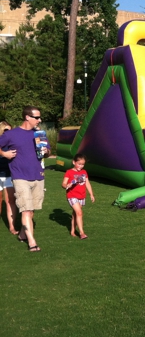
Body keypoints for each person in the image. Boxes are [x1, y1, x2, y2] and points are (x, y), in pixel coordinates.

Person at [0, 107, 50, 252]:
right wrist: (4, 154)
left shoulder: (39, 134)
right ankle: (32, 242)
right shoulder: (12, 134)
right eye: (37, 117)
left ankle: (22, 234)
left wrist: (46, 152)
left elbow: (47, 152)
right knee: (26, 210)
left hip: (38, 176)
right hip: (20, 177)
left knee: (32, 209)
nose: (39, 120)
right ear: (27, 117)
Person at [62, 154, 95, 239]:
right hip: (72, 195)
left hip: (82, 195)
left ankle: (72, 231)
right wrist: (67, 185)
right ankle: (82, 233)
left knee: (75, 214)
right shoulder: (69, 172)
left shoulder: (84, 172)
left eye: (82, 164)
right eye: (79, 164)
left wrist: (91, 194)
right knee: (79, 213)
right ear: (74, 162)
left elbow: (87, 183)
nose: (81, 166)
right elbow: (63, 184)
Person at [0, 121, 18, 235]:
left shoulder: (12, 143)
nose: (8, 133)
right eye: (6, 130)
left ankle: (12, 226)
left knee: (10, 200)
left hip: (9, 174)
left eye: (10, 130)